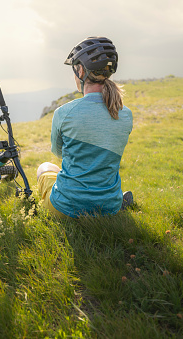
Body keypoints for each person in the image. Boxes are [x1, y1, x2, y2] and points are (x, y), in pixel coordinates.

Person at [37, 36, 133, 218]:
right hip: (109, 208)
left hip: (65, 209)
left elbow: (59, 154)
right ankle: (116, 200)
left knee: (44, 167)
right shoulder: (125, 113)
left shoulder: (64, 113)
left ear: (80, 71)